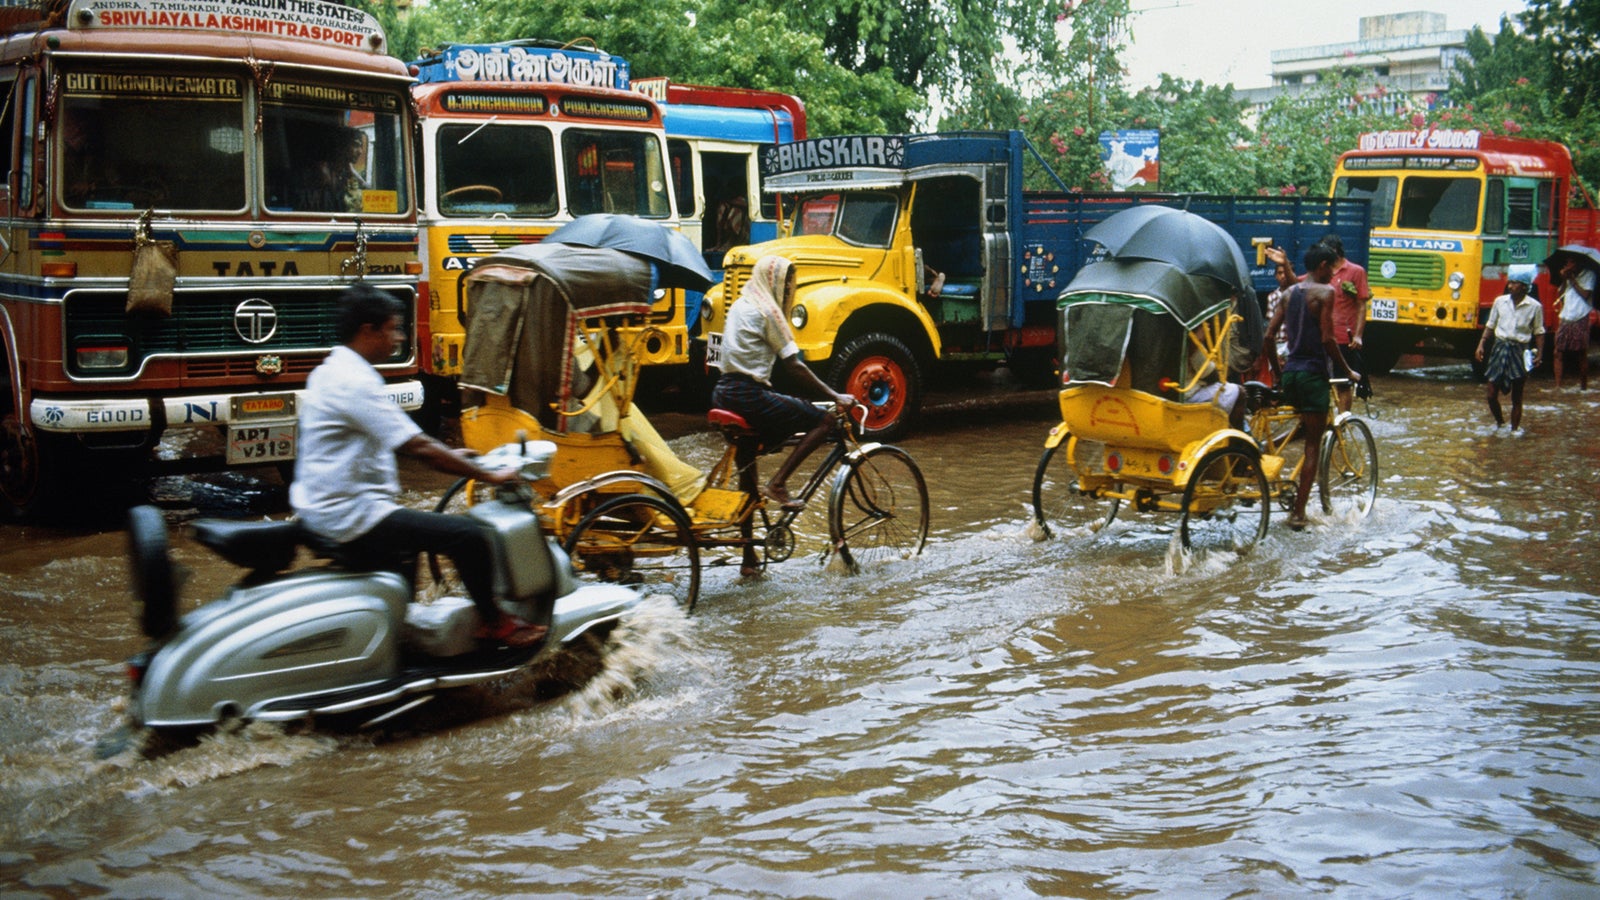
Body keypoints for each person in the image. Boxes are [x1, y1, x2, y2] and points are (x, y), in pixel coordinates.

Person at [292, 283, 546, 647]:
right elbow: (418, 447)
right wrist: (489, 474)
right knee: (469, 536)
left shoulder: (331, 371)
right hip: (351, 514)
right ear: (369, 331)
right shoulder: (355, 381)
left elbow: (397, 438)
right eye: (392, 329)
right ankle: (495, 623)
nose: (397, 338)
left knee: (410, 543)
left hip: (327, 507)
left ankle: (399, 636)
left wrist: (455, 456)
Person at [710, 254, 857, 573]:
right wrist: (835, 395)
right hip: (748, 395)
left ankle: (749, 560)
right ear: (775, 283)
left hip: (723, 393)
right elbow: (794, 364)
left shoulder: (739, 304)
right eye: (788, 283)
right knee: (825, 419)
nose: (790, 289)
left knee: (748, 475)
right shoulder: (768, 311)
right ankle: (779, 483)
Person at [1262, 243, 1361, 530]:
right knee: (1312, 447)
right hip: (1314, 375)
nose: (1334, 273)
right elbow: (1329, 340)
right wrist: (1348, 371)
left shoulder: (1289, 293)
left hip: (1291, 374)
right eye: (1332, 267)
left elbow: (1269, 337)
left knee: (1297, 429)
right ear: (1322, 266)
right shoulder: (1326, 292)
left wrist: (1279, 375)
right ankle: (1299, 514)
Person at [1474, 265, 1544, 433]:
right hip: (1499, 348)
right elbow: (1490, 325)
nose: (1511, 286)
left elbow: (1539, 332)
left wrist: (1540, 353)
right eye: (1510, 282)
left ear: (1525, 286)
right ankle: (1500, 424)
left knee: (1517, 396)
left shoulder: (1535, 306)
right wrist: (1481, 344)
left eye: (1515, 283)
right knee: (1491, 394)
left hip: (1519, 351)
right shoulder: (1500, 301)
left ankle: (1514, 431)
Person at [1552, 254, 1596, 390]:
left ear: (1578, 264)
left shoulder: (1589, 275)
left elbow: (1586, 294)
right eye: (1567, 262)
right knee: (1558, 352)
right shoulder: (1567, 276)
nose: (1567, 265)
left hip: (1580, 316)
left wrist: (1573, 280)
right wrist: (1565, 280)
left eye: (1571, 262)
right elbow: (1560, 296)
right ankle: (1558, 387)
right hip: (1566, 315)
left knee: (1581, 353)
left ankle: (1584, 387)